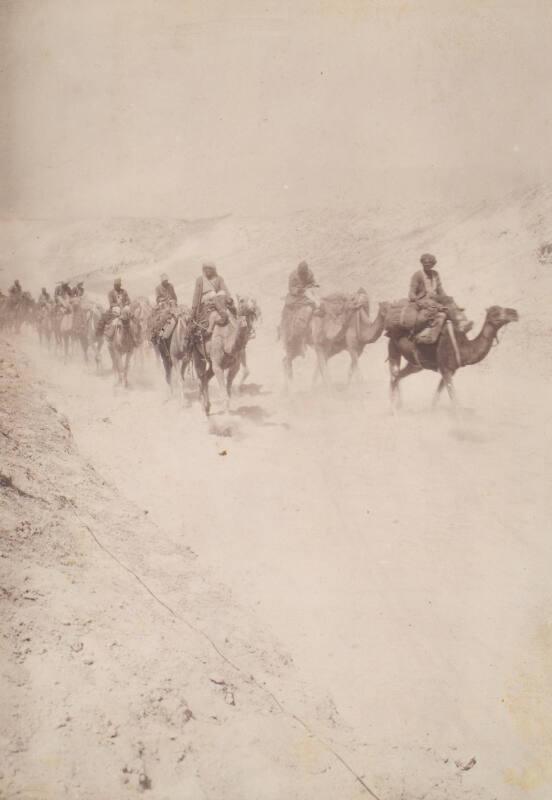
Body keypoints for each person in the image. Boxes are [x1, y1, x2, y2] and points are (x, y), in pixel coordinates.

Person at [279, 260, 320, 350]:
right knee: (292, 307)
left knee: (317, 304)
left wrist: (314, 284)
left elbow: (312, 281)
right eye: (302, 273)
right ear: (299, 271)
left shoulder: (309, 273)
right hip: (296, 297)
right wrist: (298, 290)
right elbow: (291, 288)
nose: (304, 275)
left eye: (305, 273)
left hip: (307, 294)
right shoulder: (293, 275)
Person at [191, 261, 232, 332]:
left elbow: (225, 289)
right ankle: (223, 315)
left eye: (209, 268)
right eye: (205, 268)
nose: (207, 270)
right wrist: (194, 309)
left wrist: (229, 299)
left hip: (218, 301)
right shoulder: (200, 280)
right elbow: (196, 295)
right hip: (206, 303)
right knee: (212, 293)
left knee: (222, 293)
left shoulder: (219, 279)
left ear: (213, 269)